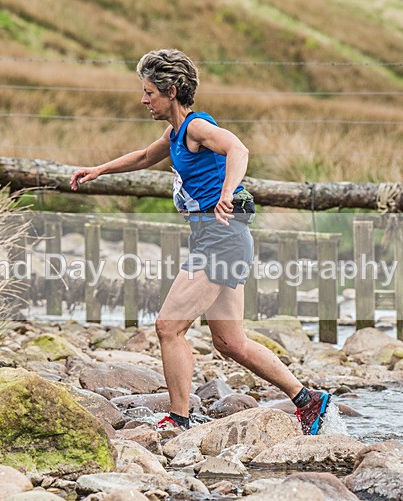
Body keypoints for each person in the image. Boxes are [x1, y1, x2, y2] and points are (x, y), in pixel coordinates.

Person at [70, 49, 330, 435]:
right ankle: (308, 400)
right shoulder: (174, 134)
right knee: (231, 342)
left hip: (221, 238)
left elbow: (237, 148)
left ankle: (178, 419)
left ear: (171, 91)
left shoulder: (196, 128)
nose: (144, 100)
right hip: (220, 238)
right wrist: (99, 170)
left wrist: (227, 192)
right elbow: (143, 157)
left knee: (168, 327)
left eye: (149, 92)